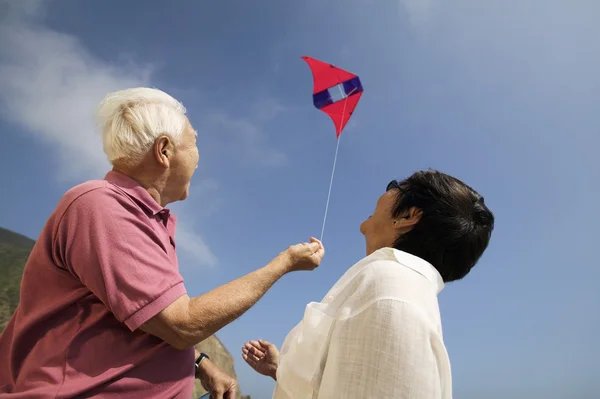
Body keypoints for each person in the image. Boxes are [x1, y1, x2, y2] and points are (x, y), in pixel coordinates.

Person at [0, 87, 325, 399]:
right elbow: (180, 323)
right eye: (194, 143)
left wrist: (198, 363)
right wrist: (284, 263)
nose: (199, 158)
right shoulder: (104, 207)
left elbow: (138, 323)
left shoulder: (136, 216)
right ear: (165, 150)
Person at [242, 170, 494, 398]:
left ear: (408, 215)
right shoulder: (389, 285)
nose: (386, 190)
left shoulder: (391, 289)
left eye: (396, 185)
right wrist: (280, 369)